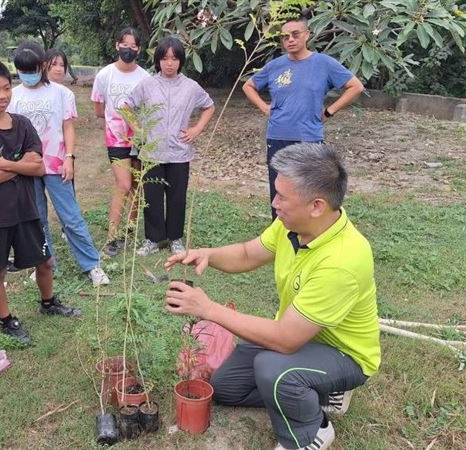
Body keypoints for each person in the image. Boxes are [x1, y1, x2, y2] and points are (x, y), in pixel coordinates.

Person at [164, 143, 380, 450]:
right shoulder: (292, 226)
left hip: (343, 355)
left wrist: (208, 309)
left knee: (273, 370)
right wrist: (206, 254)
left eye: (282, 197)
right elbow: (248, 253)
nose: (274, 203)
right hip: (302, 337)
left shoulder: (343, 260)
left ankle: (311, 432)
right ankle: (317, 394)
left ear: (316, 205)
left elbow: (285, 340)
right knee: (225, 388)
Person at [0, 58, 82, 345]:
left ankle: (49, 302)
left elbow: (39, 167)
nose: (3, 95)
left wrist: (3, 163)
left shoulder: (23, 124)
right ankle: (6, 320)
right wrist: (19, 164)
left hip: (27, 209)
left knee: (45, 261)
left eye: (6, 88)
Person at [242, 16, 364, 218]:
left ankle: (308, 232)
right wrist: (264, 107)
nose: (289, 39)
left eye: (295, 34)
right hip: (278, 136)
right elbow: (248, 86)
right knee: (279, 188)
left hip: (309, 137)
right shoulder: (275, 66)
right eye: (284, 36)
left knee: (309, 188)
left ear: (307, 35)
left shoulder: (324, 63)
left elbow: (355, 86)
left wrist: (329, 112)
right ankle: (280, 233)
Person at [10, 44, 110, 286]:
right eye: (22, 71)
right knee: (37, 219)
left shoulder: (61, 93)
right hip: (27, 167)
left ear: (42, 66)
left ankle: (92, 265)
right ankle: (44, 263)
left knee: (71, 217)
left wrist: (69, 158)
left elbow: (67, 127)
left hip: (56, 164)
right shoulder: (13, 96)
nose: (28, 75)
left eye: (32, 70)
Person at [126, 36, 215, 256]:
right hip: (152, 152)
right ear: (158, 60)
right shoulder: (147, 84)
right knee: (153, 197)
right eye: (165, 58)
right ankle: (153, 239)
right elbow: (126, 106)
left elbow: (209, 106)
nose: (169, 63)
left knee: (177, 198)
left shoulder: (191, 87)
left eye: (174, 59)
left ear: (181, 61)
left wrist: (196, 129)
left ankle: (175, 238)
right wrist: (140, 130)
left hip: (179, 153)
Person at [91, 27, 150, 256]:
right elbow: (99, 108)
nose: (128, 49)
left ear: (139, 49)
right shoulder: (105, 75)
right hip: (115, 139)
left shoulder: (145, 77)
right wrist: (116, 123)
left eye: (133, 46)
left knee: (137, 186)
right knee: (123, 185)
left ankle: (130, 229)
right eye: (124, 45)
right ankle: (112, 236)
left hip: (139, 140)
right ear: (117, 46)